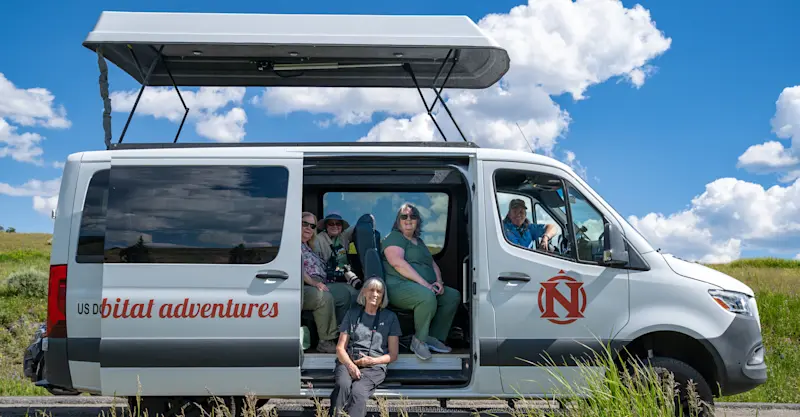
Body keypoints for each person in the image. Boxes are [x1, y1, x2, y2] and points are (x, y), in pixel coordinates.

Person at [381, 203, 460, 360]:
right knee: (426, 297)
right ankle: (419, 341)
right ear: (398, 221)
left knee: (452, 296)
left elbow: (432, 263)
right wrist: (425, 285)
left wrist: (439, 282)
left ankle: (433, 338)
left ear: (418, 221)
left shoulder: (419, 241)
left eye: (413, 216)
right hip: (397, 285)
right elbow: (398, 263)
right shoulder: (394, 237)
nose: (408, 219)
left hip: (422, 285)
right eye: (404, 216)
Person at [330, 277, 401, 417]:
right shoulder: (352, 314)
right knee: (343, 386)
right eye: (371, 290)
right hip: (349, 360)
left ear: (383, 296)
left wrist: (372, 361)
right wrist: (351, 366)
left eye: (379, 291)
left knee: (358, 392)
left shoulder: (390, 317)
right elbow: (340, 348)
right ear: (363, 292)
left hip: (375, 366)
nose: (375, 294)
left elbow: (393, 355)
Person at [301, 211, 343, 353]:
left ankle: (343, 336)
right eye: (304, 224)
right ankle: (326, 341)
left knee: (347, 294)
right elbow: (297, 269)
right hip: (301, 286)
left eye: (312, 226)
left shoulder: (310, 246)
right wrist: (313, 283)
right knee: (324, 298)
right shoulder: (292, 244)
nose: (308, 228)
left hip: (320, 281)